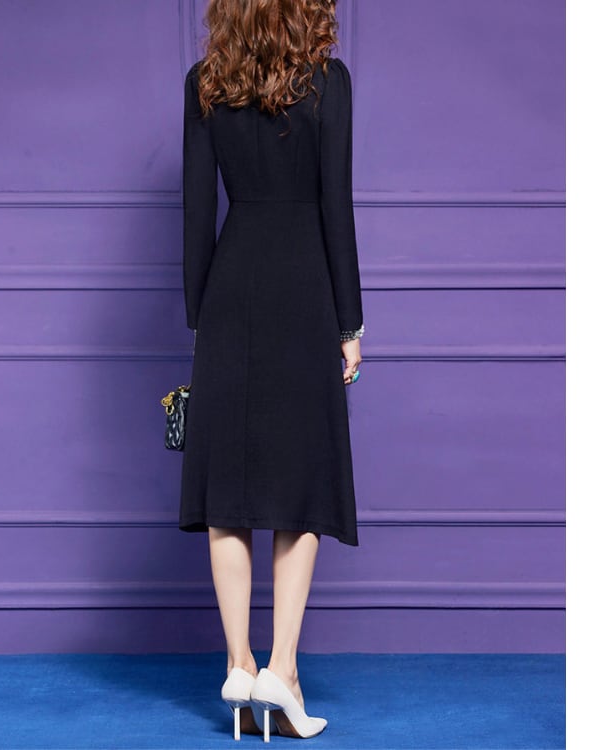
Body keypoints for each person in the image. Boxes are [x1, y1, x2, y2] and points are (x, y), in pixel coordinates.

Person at [178, 0, 364, 741]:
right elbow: (335, 207)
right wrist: (349, 325)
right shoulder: (328, 82)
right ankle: (281, 669)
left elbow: (197, 212)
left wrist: (202, 318)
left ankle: (237, 663)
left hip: (230, 291)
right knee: (302, 486)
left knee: (228, 491)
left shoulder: (205, 82)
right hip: (305, 290)